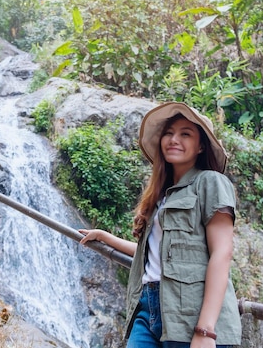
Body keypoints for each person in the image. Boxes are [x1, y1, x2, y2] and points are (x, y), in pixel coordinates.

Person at [79, 102, 241, 348]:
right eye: (169, 132)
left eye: (185, 134)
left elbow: (222, 253)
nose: (174, 139)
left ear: (200, 146)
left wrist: (206, 329)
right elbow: (155, 253)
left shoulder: (211, 182)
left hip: (189, 312)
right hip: (147, 309)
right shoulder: (161, 197)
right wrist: (105, 237)